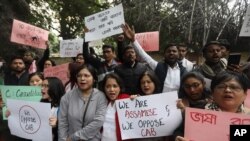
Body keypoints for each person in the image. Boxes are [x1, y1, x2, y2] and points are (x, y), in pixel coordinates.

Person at [175, 71, 250, 141]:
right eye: (221, 87)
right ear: (213, 92)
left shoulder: (247, 117)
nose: (227, 90)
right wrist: (178, 138)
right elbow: (179, 132)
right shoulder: (197, 112)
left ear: (245, 94)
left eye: (234, 87)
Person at [122, 23, 186, 92]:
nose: (171, 53)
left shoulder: (184, 71)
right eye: (169, 51)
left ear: (178, 54)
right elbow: (143, 54)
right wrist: (133, 40)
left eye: (174, 51)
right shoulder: (158, 67)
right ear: (164, 55)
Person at [58, 64, 107, 141]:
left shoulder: (100, 97)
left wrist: (74, 137)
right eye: (79, 76)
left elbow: (98, 121)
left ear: (94, 79)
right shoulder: (67, 97)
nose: (82, 78)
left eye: (86, 76)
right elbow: (62, 123)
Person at [101, 73, 131, 141]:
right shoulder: (103, 102)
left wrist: (136, 100)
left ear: (120, 87)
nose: (111, 89)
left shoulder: (127, 100)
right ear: (104, 88)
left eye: (115, 86)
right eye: (108, 86)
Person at [41, 77, 65, 141]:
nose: (42, 88)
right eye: (42, 85)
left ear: (55, 88)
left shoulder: (65, 106)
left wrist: (57, 123)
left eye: (46, 86)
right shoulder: (41, 104)